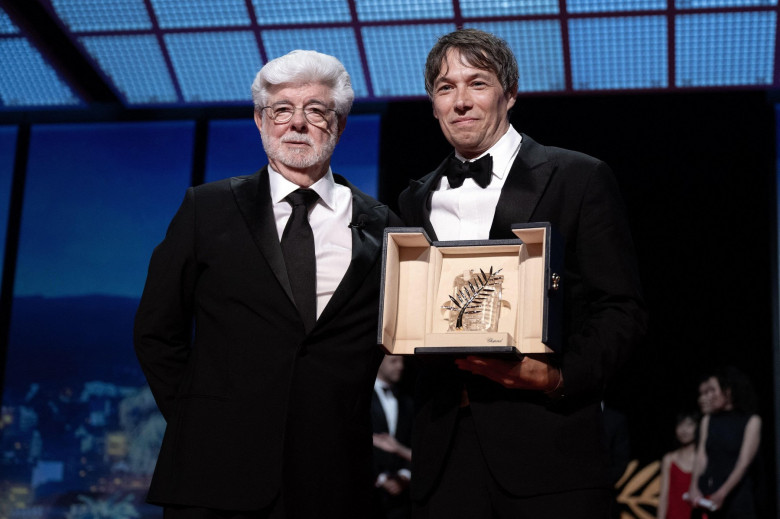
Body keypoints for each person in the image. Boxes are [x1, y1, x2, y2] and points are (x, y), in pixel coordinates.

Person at [134, 49, 400, 519]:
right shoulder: (207, 208)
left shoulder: (382, 226)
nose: (297, 123)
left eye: (315, 110)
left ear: (337, 124)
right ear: (260, 121)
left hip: (333, 481)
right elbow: (157, 331)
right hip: (214, 475)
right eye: (281, 109)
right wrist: (202, 422)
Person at [397, 28, 647, 518]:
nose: (461, 101)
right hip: (444, 459)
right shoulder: (413, 199)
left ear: (510, 94)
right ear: (432, 103)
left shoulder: (578, 176)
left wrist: (555, 377)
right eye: (446, 87)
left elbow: (622, 310)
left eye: (478, 83)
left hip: (550, 451)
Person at [687, 367, 761, 518]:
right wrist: (694, 486)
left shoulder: (751, 421)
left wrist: (723, 492)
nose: (709, 397)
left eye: (713, 391)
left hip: (736, 497)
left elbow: (743, 462)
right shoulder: (708, 420)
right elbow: (701, 457)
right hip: (709, 496)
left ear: (728, 391)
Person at [371, 355, 413, 519]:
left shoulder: (407, 400)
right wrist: (380, 478)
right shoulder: (361, 397)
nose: (401, 366)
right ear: (378, 363)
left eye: (402, 361)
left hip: (401, 495)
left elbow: (411, 440)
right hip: (370, 491)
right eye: (394, 361)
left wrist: (405, 475)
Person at [657, 410, 699, 519]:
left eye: (689, 425)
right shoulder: (669, 459)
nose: (684, 430)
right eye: (680, 425)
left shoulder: (703, 459)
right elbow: (664, 496)